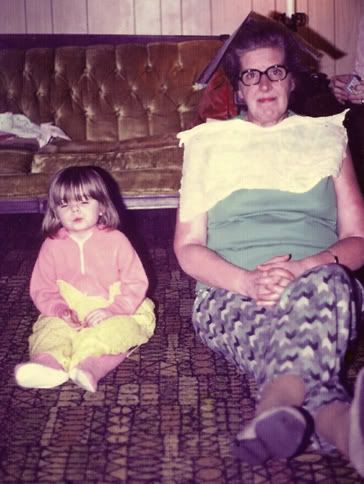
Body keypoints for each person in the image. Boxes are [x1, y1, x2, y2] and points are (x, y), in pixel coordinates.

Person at [174, 17, 364, 476]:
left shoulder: (327, 138)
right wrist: (248, 281)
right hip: (229, 291)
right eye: (251, 75)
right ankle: (344, 429)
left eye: (275, 71)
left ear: (291, 79)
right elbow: (187, 247)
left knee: (324, 289)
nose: (263, 84)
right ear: (238, 88)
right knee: (299, 336)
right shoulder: (207, 145)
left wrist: (305, 268)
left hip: (323, 283)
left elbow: (359, 239)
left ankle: (275, 404)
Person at [15, 166, 155, 393]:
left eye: (83, 202)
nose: (74, 209)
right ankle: (47, 364)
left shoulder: (116, 240)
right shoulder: (52, 245)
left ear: (101, 206)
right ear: (55, 212)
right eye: (65, 204)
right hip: (69, 307)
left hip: (114, 306)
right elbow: (42, 288)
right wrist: (60, 309)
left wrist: (114, 309)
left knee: (117, 333)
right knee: (51, 330)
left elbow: (135, 282)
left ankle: (90, 367)